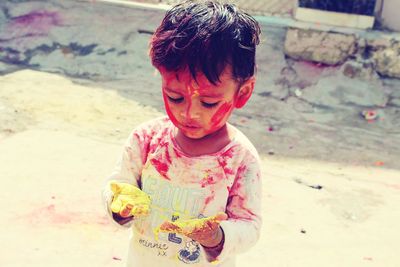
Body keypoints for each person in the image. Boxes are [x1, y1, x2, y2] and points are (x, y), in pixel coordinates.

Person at [103, 1, 262, 266]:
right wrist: (118, 205)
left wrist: (217, 237)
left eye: (209, 103)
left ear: (242, 93)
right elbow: (117, 184)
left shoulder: (240, 158)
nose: (190, 114)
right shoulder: (146, 140)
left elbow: (250, 226)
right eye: (175, 97)